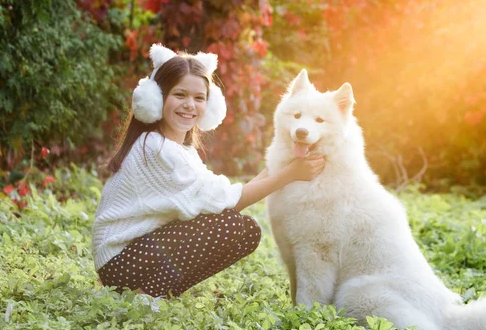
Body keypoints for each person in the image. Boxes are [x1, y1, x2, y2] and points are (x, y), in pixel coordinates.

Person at [92, 44, 325, 298]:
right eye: (180, 95)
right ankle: (145, 293)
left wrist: (283, 163)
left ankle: (151, 291)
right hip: (119, 263)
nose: (189, 105)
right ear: (157, 98)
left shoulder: (179, 149)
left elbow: (220, 195)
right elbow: (229, 202)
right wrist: (289, 174)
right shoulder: (158, 149)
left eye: (199, 98)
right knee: (233, 226)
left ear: (209, 104)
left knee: (243, 230)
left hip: (133, 255)